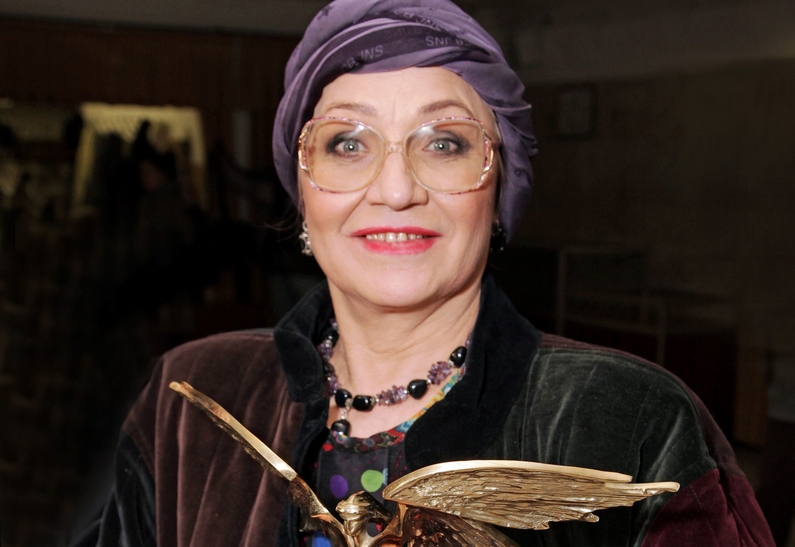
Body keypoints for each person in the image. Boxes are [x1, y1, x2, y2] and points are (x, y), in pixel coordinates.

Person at [74, 1, 775, 546]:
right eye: (348, 143)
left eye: (443, 143)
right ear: (303, 192)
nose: (395, 189)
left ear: (497, 190)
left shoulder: (625, 420)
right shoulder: (194, 397)